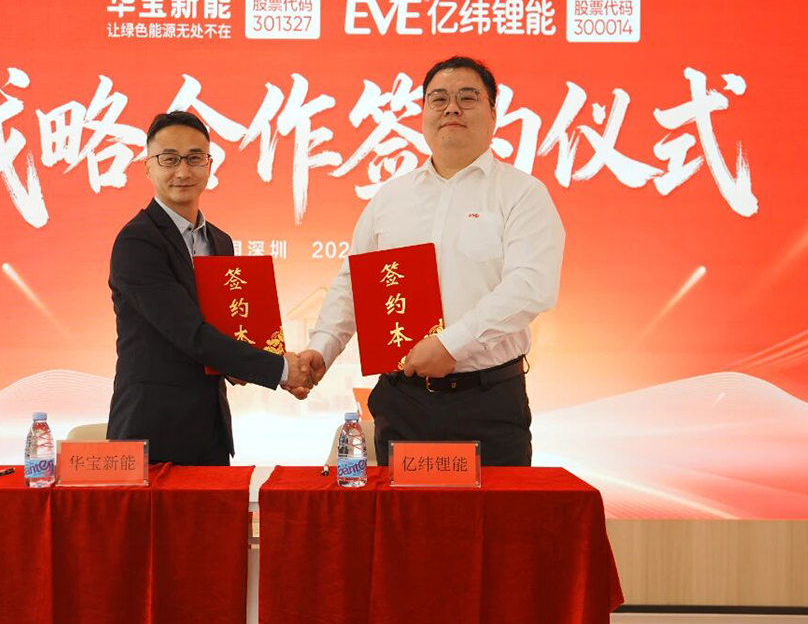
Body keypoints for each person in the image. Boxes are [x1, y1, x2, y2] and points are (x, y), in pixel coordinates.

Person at [292, 57, 565, 466]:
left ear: (493, 114)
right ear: (423, 114)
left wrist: (450, 344)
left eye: (467, 98)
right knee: (403, 509)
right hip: (403, 400)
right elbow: (353, 282)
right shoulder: (391, 198)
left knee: (494, 509)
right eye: (439, 99)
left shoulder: (522, 194)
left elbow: (531, 285)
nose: (451, 108)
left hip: (488, 402)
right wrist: (321, 349)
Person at [106, 111, 312, 465]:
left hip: (210, 429)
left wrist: (236, 365)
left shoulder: (219, 241)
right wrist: (280, 369)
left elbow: (223, 329)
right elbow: (188, 333)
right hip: (151, 427)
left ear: (209, 165)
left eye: (194, 158)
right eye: (169, 159)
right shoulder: (137, 241)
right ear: (148, 166)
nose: (183, 171)